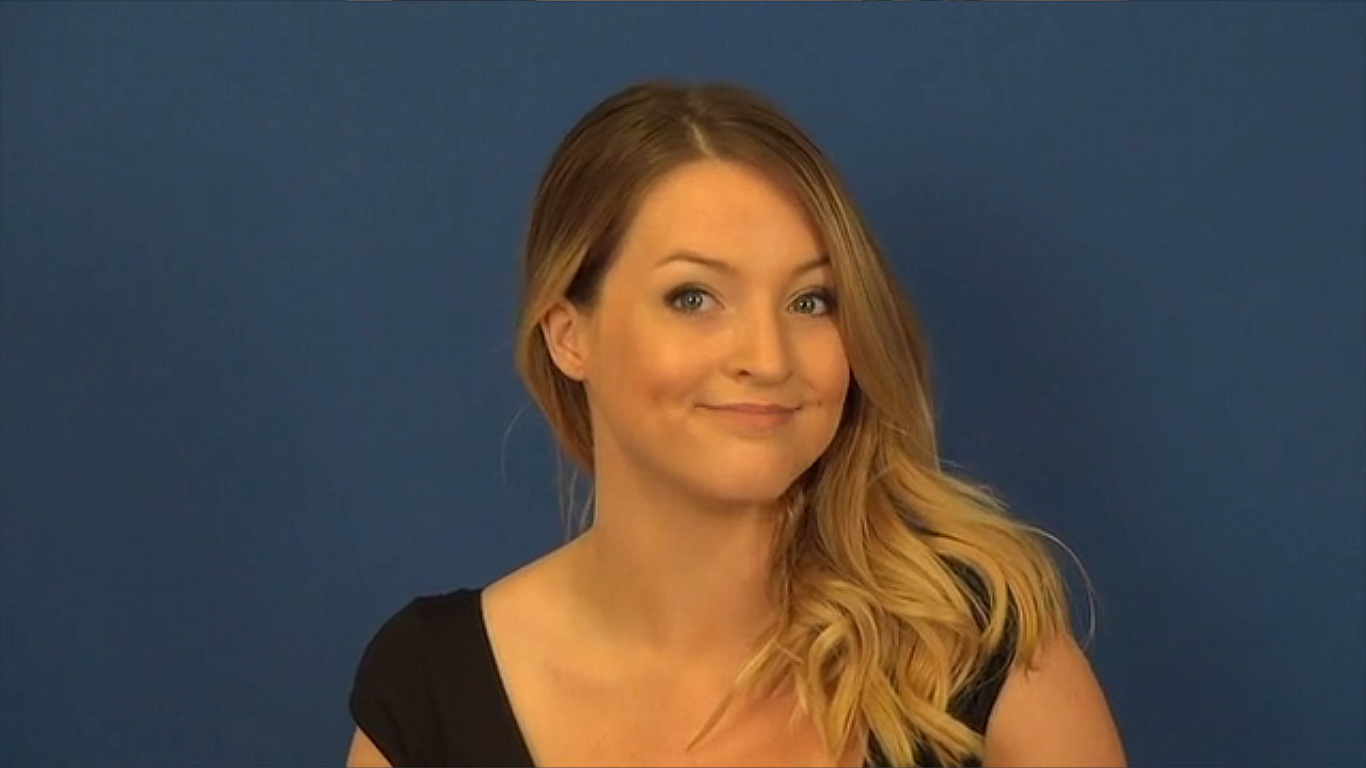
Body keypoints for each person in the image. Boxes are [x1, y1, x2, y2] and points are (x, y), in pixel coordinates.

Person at [345, 80, 1126, 768]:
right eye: (693, 298)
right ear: (569, 335)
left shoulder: (984, 661)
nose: (767, 356)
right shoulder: (432, 691)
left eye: (811, 301)